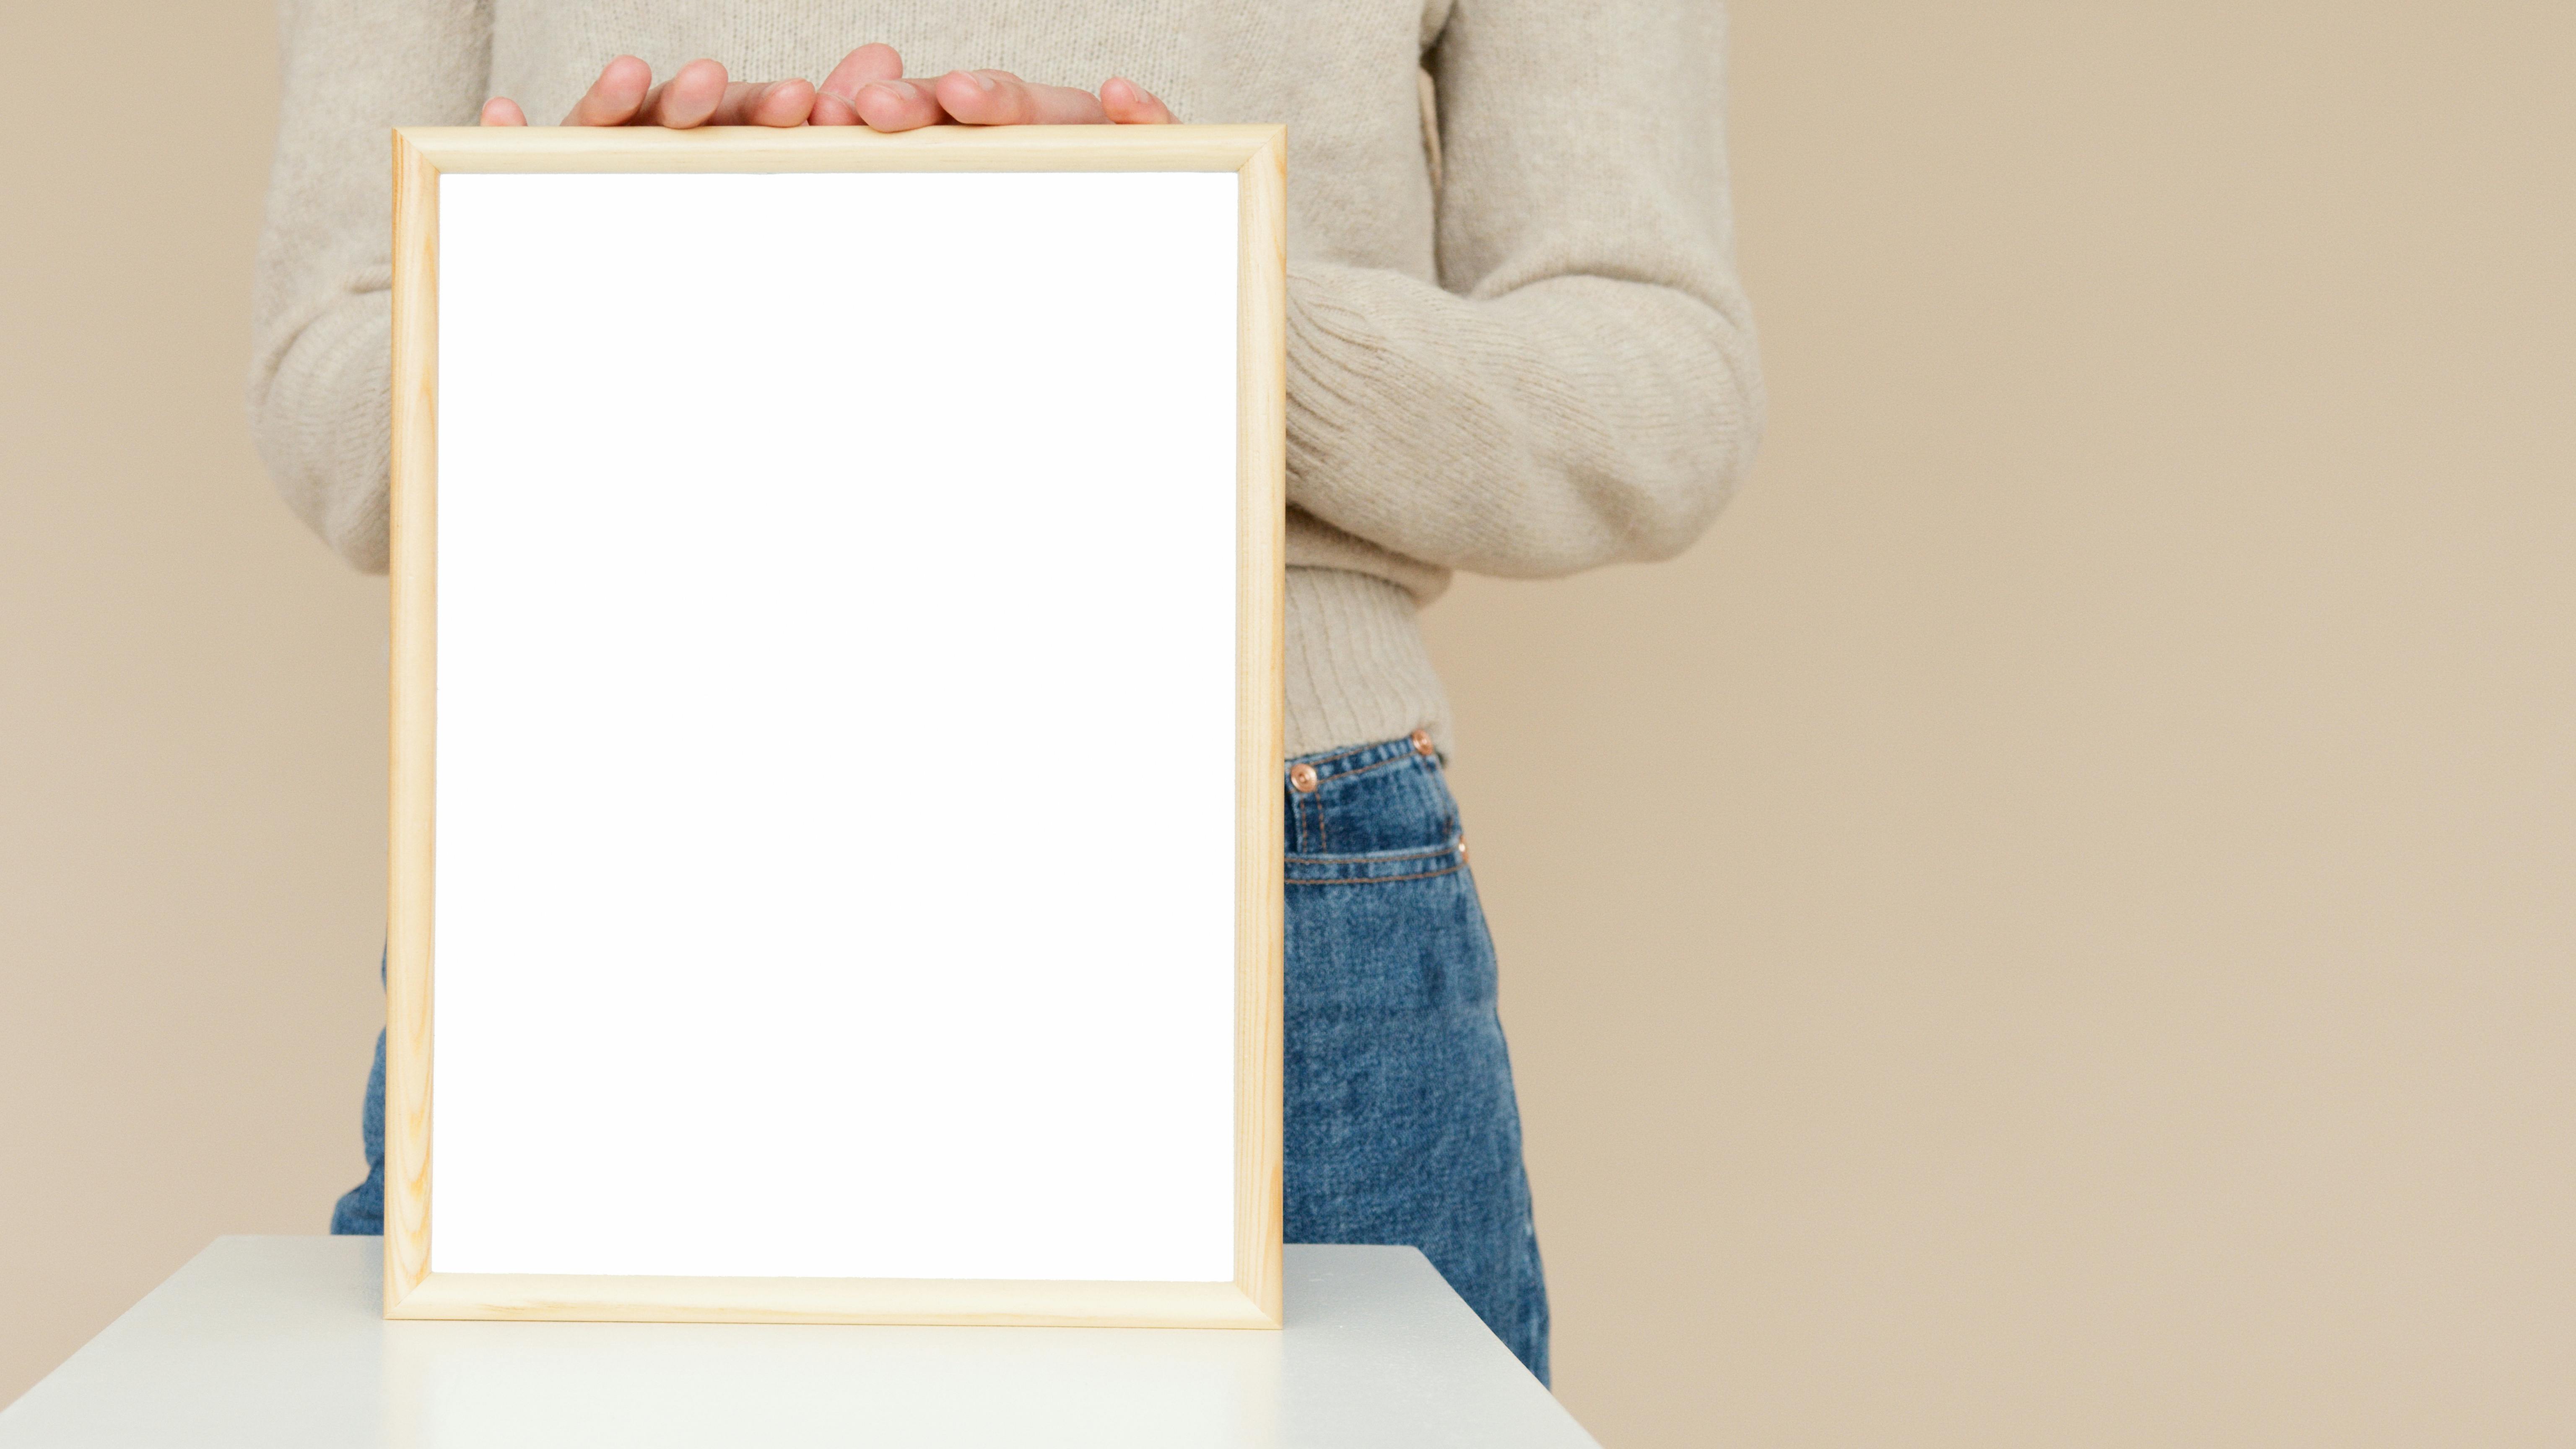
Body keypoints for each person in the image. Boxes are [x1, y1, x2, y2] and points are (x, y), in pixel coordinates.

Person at [250, 2, 1762, 1384]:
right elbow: (325, 370)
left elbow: (1660, 383)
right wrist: (563, 302)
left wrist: (1205, 305)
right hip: (612, 894)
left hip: (1268, 882)